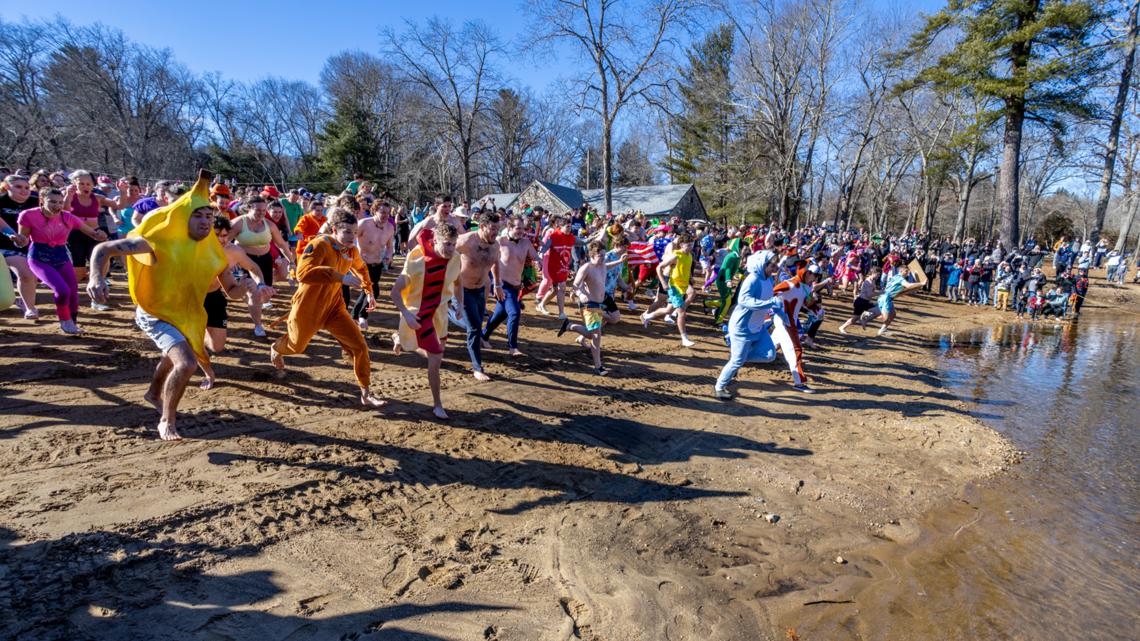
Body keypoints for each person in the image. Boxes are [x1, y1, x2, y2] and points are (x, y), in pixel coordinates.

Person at [87, 170, 229, 440]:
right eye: (197, 215)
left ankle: (153, 393)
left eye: (208, 216)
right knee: (186, 363)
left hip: (184, 314)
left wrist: (250, 288)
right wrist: (96, 277)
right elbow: (104, 249)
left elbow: (230, 288)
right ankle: (167, 419)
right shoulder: (156, 241)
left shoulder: (211, 250)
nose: (205, 221)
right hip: (154, 313)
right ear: (181, 217)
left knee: (172, 355)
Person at [269, 208, 386, 407]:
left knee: (359, 347)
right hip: (308, 307)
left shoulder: (351, 250)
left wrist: (368, 291)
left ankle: (365, 393)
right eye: (347, 232)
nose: (352, 237)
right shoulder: (319, 245)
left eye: (355, 232)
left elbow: (361, 268)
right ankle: (276, 348)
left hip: (334, 308)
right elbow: (302, 274)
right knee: (296, 347)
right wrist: (340, 277)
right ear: (334, 229)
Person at [391, 224, 463, 420]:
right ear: (435, 241)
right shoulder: (416, 259)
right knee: (436, 358)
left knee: (437, 354)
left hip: (440, 314)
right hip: (419, 313)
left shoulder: (455, 258)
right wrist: (405, 313)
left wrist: (460, 305)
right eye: (447, 244)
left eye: (454, 244)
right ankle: (438, 404)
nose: (450, 248)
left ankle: (402, 339)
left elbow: (457, 282)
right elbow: (395, 292)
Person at [17, 189, 109, 333]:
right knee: (62, 290)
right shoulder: (28, 215)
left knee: (73, 292)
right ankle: (65, 321)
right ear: (42, 200)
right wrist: (18, 240)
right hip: (39, 258)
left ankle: (72, 323)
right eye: (52, 201)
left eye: (60, 202)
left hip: (61, 258)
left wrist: (100, 235)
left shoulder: (68, 217)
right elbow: (22, 241)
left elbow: (92, 233)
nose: (57, 206)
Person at [200, 215, 275, 387]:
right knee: (192, 341)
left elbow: (253, 269)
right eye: (217, 234)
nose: (222, 239)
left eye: (226, 235)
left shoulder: (234, 251)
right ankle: (208, 373)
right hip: (191, 299)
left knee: (217, 347)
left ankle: (198, 337)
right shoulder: (195, 252)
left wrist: (256, 284)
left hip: (214, 297)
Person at [713, 250, 787, 400]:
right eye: (772, 264)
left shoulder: (769, 280)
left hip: (758, 327)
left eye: (776, 263)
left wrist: (784, 316)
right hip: (742, 327)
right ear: (763, 263)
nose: (775, 267)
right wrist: (770, 302)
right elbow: (744, 300)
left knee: (769, 355)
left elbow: (772, 303)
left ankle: (739, 357)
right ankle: (719, 387)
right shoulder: (752, 279)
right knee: (736, 362)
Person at [230, 196, 294, 336]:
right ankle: (258, 325)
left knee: (264, 295)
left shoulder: (269, 225)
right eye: (258, 210)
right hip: (242, 261)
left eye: (264, 210)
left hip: (264, 260)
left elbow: (281, 244)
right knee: (253, 293)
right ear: (248, 208)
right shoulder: (238, 223)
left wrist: (292, 260)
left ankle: (251, 299)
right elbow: (223, 242)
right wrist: (229, 262)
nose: (261, 213)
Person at [455, 211, 501, 380]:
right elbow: (443, 251)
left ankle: (452, 314)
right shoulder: (467, 240)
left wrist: (498, 284)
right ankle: (477, 368)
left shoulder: (495, 245)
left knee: (476, 323)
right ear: (482, 226)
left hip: (481, 289)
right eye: (493, 229)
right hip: (462, 289)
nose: (496, 232)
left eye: (498, 229)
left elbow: (496, 262)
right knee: (474, 327)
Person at [483, 214, 537, 356]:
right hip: (502, 284)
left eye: (522, 228)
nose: (521, 231)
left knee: (500, 314)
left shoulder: (525, 242)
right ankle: (512, 347)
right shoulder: (500, 241)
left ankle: (483, 336)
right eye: (518, 228)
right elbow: (488, 260)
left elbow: (535, 256)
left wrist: (540, 261)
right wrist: (493, 283)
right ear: (509, 227)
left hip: (516, 286)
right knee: (514, 312)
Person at [557, 240, 613, 375]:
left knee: (591, 334)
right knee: (595, 336)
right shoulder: (586, 267)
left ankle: (570, 326)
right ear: (592, 255)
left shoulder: (603, 266)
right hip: (588, 305)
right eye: (601, 256)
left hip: (599, 304)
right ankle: (598, 367)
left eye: (604, 255)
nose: (603, 258)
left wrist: (619, 261)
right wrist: (580, 294)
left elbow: (609, 265)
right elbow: (575, 285)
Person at [641, 230, 696, 347]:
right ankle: (684, 338)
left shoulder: (689, 255)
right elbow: (659, 268)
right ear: (682, 244)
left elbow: (687, 268)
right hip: (674, 286)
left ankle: (647, 316)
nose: (691, 247)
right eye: (689, 245)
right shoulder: (676, 255)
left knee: (668, 310)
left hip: (683, 286)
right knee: (681, 312)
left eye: (692, 245)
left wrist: (691, 278)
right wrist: (663, 283)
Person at [0, 174, 41, 319]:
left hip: (25, 247)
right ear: (6, 187)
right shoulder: (1, 201)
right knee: (22, 275)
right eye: (18, 187)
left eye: (26, 187)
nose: (24, 190)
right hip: (3, 246)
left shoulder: (36, 202)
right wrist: (12, 235)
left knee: (28, 275)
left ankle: (29, 306)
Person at [352, 200, 397, 330]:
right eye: (382, 212)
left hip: (377, 263)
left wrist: (389, 256)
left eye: (388, 213)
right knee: (372, 290)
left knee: (370, 290)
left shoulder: (389, 227)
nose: (385, 215)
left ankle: (356, 316)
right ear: (374, 211)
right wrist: (355, 256)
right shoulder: (364, 224)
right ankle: (361, 316)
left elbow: (390, 246)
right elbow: (351, 240)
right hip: (362, 262)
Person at [859, 262, 926, 335]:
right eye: (906, 271)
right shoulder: (900, 279)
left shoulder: (895, 277)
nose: (908, 273)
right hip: (886, 298)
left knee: (893, 314)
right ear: (901, 271)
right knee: (885, 317)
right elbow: (908, 285)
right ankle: (867, 314)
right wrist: (921, 283)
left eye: (908, 271)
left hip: (886, 297)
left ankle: (881, 328)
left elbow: (900, 289)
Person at [536, 215, 576, 318]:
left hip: (563, 266)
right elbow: (544, 248)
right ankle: (561, 312)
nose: (569, 229)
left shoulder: (570, 237)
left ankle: (541, 304)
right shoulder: (552, 234)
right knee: (561, 287)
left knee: (555, 290)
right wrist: (538, 258)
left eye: (570, 227)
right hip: (552, 264)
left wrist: (598, 235)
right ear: (560, 226)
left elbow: (581, 243)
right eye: (567, 227)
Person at [838, 266, 880, 334]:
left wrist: (880, 292)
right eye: (878, 274)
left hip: (863, 301)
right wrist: (880, 293)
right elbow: (869, 294)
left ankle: (842, 327)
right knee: (879, 310)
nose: (879, 276)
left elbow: (871, 292)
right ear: (873, 273)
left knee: (854, 318)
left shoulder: (872, 281)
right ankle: (864, 319)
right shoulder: (868, 282)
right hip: (862, 302)